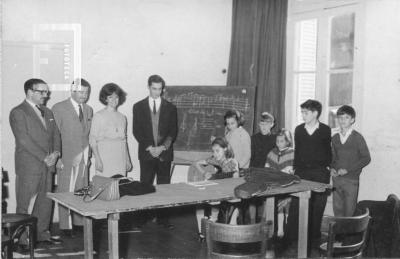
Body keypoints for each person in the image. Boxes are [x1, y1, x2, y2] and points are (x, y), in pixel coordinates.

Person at [9, 78, 62, 250]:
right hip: (30, 166)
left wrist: (56, 153)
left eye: (47, 92)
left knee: (45, 202)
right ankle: (23, 240)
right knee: (27, 203)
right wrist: (44, 157)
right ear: (30, 92)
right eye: (42, 92)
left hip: (48, 164)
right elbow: (23, 139)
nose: (45, 95)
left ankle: (42, 234)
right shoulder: (18, 112)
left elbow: (56, 135)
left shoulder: (48, 112)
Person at [132, 75, 178, 229]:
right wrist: (151, 148)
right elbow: (136, 131)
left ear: (163, 89)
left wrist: (162, 148)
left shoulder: (171, 107)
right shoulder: (138, 106)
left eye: (159, 89)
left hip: (164, 153)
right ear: (148, 87)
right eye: (154, 89)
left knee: (164, 186)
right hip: (147, 153)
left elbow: (173, 131)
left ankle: (163, 219)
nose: (157, 92)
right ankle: (142, 218)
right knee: (145, 185)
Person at [285, 99, 332, 248]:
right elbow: (297, 152)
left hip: (319, 173)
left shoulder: (325, 129)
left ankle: (313, 240)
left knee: (317, 207)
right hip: (302, 172)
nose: (303, 115)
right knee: (297, 205)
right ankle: (292, 239)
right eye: (302, 112)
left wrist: (327, 169)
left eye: (306, 112)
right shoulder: (298, 129)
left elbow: (327, 152)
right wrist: (295, 169)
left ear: (315, 113)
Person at [52, 78, 93, 236]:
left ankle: (79, 224)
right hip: (66, 157)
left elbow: (87, 134)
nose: (84, 95)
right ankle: (65, 226)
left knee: (81, 191)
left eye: (87, 92)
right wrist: (58, 157)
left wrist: (88, 156)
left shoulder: (88, 109)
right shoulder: (59, 108)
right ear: (72, 91)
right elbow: (55, 135)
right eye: (81, 92)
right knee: (66, 192)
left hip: (84, 158)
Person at [191, 137, 239, 241]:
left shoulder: (232, 162)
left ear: (225, 149)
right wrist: (205, 173)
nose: (215, 154)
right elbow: (196, 163)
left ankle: (216, 222)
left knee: (233, 205)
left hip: (231, 195)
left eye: (217, 151)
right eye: (213, 151)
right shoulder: (214, 160)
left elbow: (235, 180)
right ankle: (202, 232)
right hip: (217, 193)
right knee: (199, 202)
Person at [331, 105, 371, 217]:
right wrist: (332, 168)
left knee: (349, 213)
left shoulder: (358, 137)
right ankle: (338, 235)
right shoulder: (334, 138)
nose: (343, 120)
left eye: (346, 117)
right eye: (340, 117)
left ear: (352, 120)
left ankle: (348, 235)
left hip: (351, 181)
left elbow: (366, 158)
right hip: (337, 180)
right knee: (337, 211)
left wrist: (348, 170)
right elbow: (332, 158)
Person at [90, 83, 132, 177]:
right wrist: (97, 159)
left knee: (119, 187)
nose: (114, 100)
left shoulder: (122, 117)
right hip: (105, 157)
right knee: (105, 186)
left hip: (119, 157)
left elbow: (124, 141)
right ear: (105, 98)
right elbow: (92, 139)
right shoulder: (99, 116)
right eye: (110, 97)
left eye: (116, 97)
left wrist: (127, 159)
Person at [265, 128, 294, 237]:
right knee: (278, 206)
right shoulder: (272, 152)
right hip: (274, 184)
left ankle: (287, 227)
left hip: (288, 185)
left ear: (287, 141)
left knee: (287, 206)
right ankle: (280, 230)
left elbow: (291, 169)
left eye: (282, 141)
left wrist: (284, 173)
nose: (279, 143)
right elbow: (267, 166)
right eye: (277, 141)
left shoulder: (291, 152)